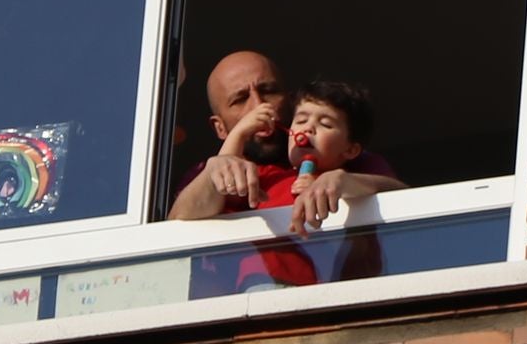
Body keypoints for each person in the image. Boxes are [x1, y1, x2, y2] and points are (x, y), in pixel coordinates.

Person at [179, 79, 405, 290]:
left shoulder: (356, 171)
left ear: (351, 149)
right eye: (301, 120)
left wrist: (344, 182)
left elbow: (402, 196)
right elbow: (218, 182)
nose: (308, 129)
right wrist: (238, 135)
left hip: (338, 290)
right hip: (263, 284)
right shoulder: (261, 176)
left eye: (325, 124)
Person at [168, 51, 400, 228]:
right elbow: (176, 226)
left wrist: (343, 181)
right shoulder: (204, 172)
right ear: (219, 128)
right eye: (240, 99)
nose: (259, 106)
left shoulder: (344, 158)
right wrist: (219, 163)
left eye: (268, 90)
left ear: (290, 101)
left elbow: (400, 195)